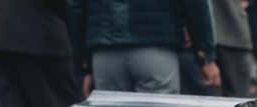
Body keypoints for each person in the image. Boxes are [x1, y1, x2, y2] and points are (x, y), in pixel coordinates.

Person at [68, 0, 221, 98]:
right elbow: (196, 5)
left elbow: (75, 8)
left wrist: (85, 65)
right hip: (156, 46)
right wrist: (205, 56)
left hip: (104, 50)